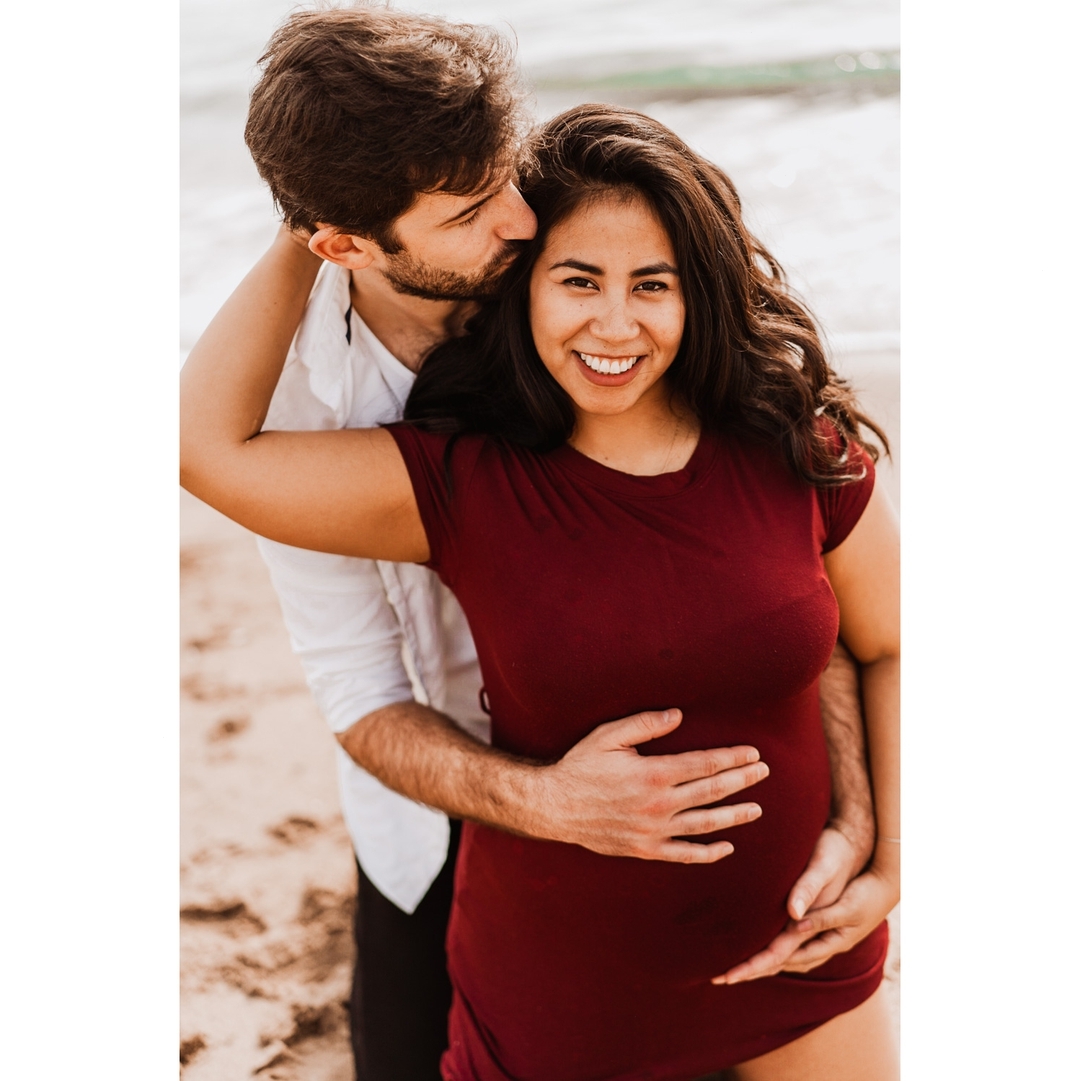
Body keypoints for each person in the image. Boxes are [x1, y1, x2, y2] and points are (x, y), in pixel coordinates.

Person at [181, 97, 899, 1078]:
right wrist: (314, 213)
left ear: (700, 292)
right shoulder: (459, 480)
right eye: (578, 280)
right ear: (525, 286)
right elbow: (204, 451)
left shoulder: (798, 446)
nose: (616, 323)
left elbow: (887, 644)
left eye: (654, 284)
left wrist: (886, 854)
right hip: (568, 997)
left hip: (808, 963)